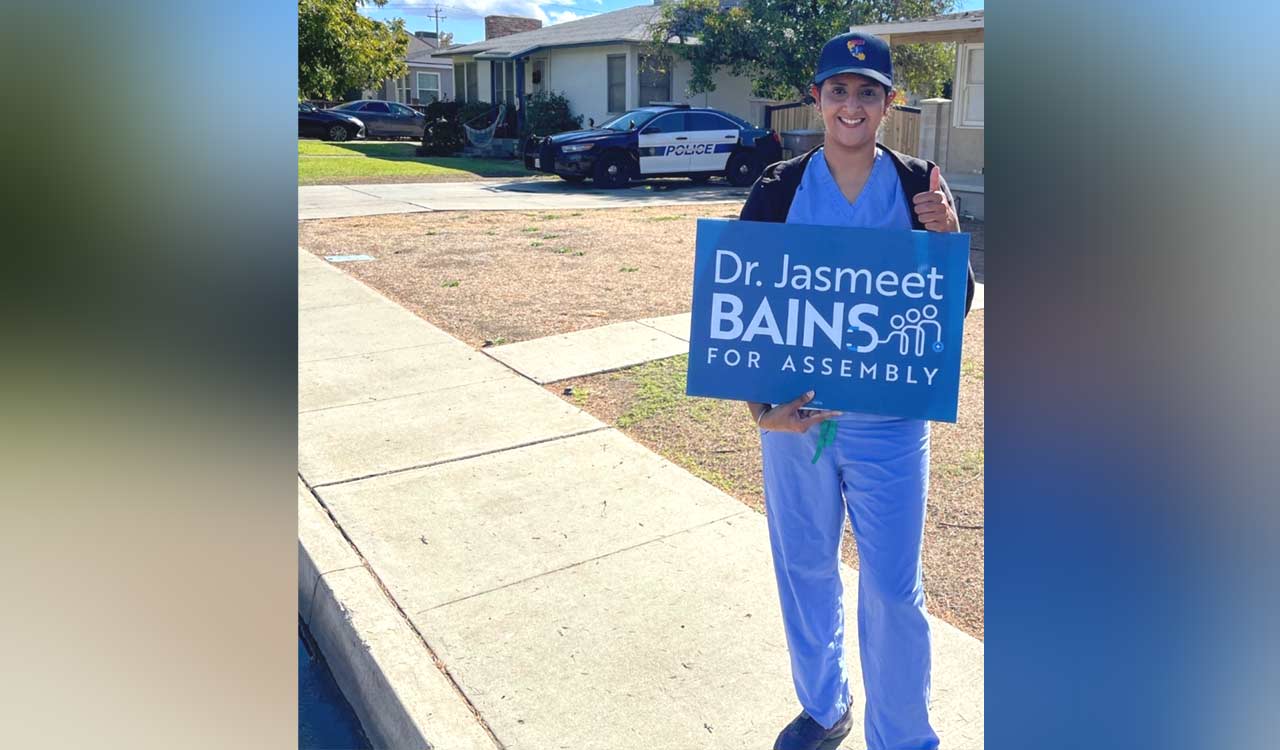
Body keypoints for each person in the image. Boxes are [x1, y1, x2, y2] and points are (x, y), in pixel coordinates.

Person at [738, 30, 975, 750]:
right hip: (801, 421)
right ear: (817, 98)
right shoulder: (777, 189)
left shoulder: (917, 184)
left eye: (866, 92)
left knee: (892, 589)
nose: (851, 104)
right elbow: (742, 308)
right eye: (837, 89)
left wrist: (948, 237)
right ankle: (824, 707)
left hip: (891, 422)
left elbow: (954, 303)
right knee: (805, 565)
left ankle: (903, 736)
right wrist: (759, 410)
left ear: (887, 103)